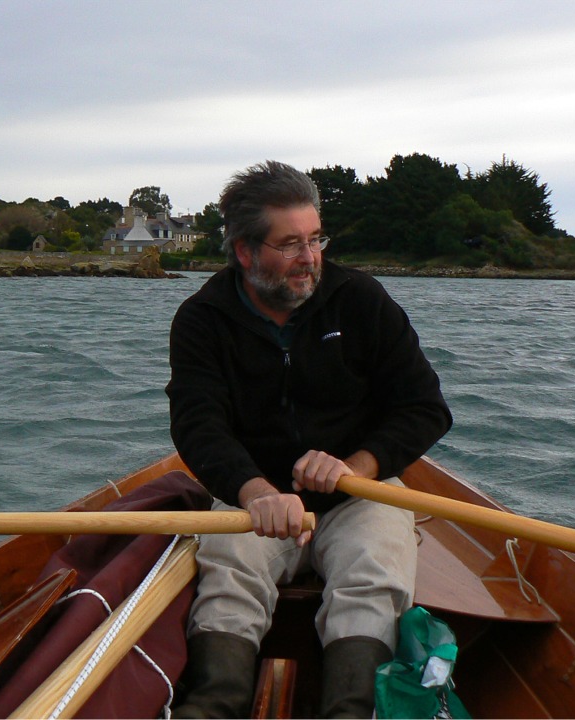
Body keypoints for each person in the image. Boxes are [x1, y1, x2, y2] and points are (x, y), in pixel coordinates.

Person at [165, 160, 452, 718]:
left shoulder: (361, 300)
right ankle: (213, 705)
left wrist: (358, 468)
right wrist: (253, 491)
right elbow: (198, 424)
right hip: (257, 497)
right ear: (246, 252)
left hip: (359, 497)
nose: (310, 257)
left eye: (316, 238)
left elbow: (424, 407)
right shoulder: (202, 319)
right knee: (229, 575)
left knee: (375, 572)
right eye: (290, 244)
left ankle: (352, 710)